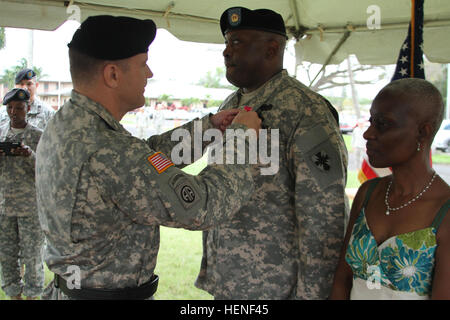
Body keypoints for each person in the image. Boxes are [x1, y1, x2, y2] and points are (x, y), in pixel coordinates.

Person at [35, 15, 261, 300]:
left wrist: (208, 129)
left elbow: (144, 158)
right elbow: (203, 205)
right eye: (143, 64)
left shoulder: (69, 124)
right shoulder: (108, 150)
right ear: (113, 75)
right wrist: (242, 138)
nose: (150, 73)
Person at [194, 7, 348, 299]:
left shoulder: (307, 110)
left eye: (237, 42)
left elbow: (324, 215)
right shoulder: (231, 103)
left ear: (272, 48)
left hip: (276, 287)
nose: (226, 52)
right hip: (230, 280)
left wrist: (313, 295)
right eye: (226, 43)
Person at [330, 78, 450, 300]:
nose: (368, 134)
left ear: (423, 132)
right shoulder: (369, 193)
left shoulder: (444, 210)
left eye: (383, 124)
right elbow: (342, 280)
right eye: (372, 122)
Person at [0, 88, 44, 300]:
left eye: (19, 107)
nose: (14, 112)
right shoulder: (1, 132)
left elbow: (47, 172)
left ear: (28, 108)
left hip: (30, 208)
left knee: (33, 256)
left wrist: (29, 154)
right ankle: (13, 295)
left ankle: (33, 296)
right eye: (10, 108)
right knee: (6, 256)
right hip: (4, 206)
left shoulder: (38, 136)